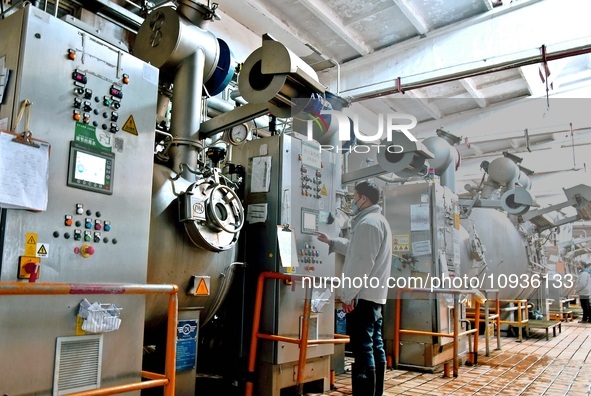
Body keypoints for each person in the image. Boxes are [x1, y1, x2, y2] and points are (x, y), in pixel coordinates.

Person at [316, 181, 392, 396]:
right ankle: (375, 392)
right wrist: (331, 241)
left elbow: (360, 263)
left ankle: (364, 392)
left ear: (364, 199)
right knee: (375, 344)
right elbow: (356, 248)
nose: (353, 202)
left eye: (354, 197)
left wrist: (347, 296)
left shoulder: (368, 223)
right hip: (374, 295)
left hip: (363, 295)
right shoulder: (377, 221)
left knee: (363, 347)